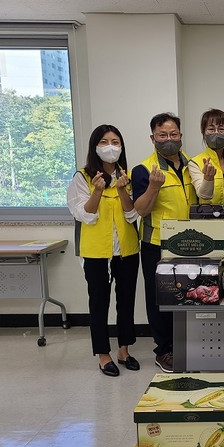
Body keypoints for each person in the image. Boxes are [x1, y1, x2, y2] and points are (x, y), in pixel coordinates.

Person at [67, 124, 140, 377]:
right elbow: (85, 215)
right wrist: (97, 191)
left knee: (126, 301)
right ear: (94, 146)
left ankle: (124, 350)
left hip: (127, 249)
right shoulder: (82, 177)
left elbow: (132, 214)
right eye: (104, 142)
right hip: (96, 252)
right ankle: (103, 354)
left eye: (115, 142)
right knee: (99, 303)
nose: (111, 147)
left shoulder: (126, 176)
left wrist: (121, 190)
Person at [131, 112, 197, 373]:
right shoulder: (144, 169)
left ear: (181, 136)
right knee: (160, 298)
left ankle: (187, 344)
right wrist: (154, 187)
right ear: (153, 138)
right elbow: (140, 210)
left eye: (173, 134)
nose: (169, 139)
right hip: (157, 244)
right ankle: (164, 350)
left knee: (188, 293)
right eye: (162, 135)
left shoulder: (193, 164)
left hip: (190, 243)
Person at [187, 108, 224, 204]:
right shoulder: (194, 163)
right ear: (203, 133)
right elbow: (204, 196)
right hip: (208, 213)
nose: (216, 133)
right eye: (211, 129)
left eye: (221, 129)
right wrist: (208, 179)